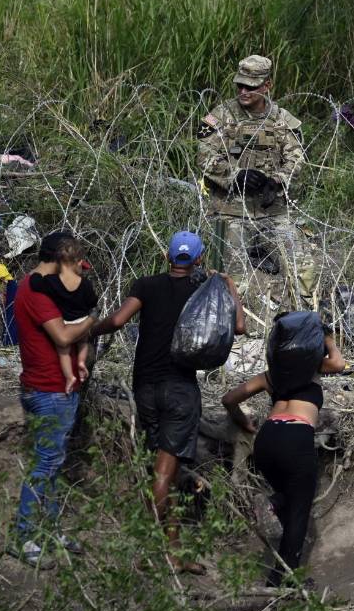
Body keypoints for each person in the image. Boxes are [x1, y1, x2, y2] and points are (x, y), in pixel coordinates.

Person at [92, 231, 246, 574]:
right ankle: (159, 552)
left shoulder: (146, 285)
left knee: (167, 473)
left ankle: (173, 551)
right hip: (179, 390)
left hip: (145, 387)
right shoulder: (206, 289)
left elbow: (117, 321)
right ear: (200, 259)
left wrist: (87, 331)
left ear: (167, 256)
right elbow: (239, 326)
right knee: (164, 475)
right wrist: (229, 286)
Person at [221, 313, 346, 586]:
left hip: (267, 440)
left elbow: (228, 398)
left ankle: (273, 504)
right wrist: (326, 335)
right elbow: (338, 362)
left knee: (289, 503)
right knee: (299, 514)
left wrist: (242, 419)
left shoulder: (270, 376)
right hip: (296, 438)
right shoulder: (313, 368)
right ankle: (285, 584)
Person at [197, 54, 316, 309]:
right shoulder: (222, 115)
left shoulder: (281, 119)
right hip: (231, 210)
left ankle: (303, 318)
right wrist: (234, 175)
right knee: (231, 275)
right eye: (240, 85)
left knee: (301, 263)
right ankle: (229, 325)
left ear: (267, 85)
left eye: (251, 86)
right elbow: (204, 155)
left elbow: (297, 158)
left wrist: (277, 181)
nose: (244, 91)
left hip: (270, 208)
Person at [11, 231, 97, 567]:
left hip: (49, 387)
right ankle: (25, 536)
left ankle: (49, 528)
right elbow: (63, 334)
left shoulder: (31, 284)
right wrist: (91, 320)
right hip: (49, 389)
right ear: (63, 257)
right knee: (45, 463)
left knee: (52, 461)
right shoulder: (36, 290)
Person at [28, 244, 98, 393]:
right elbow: (93, 302)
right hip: (82, 321)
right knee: (83, 343)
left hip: (66, 323)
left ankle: (69, 377)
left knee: (63, 352)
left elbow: (35, 283)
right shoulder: (85, 283)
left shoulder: (52, 281)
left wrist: (36, 273)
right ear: (78, 262)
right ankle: (81, 362)